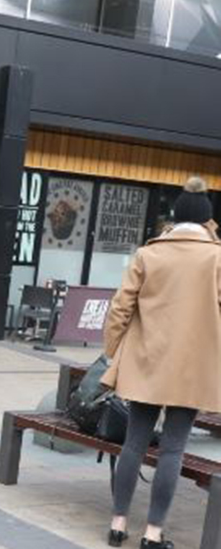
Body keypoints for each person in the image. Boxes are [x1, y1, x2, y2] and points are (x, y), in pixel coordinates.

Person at [103, 176, 221, 549]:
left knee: (134, 445)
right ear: (206, 221)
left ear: (173, 218)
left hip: (145, 361)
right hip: (192, 368)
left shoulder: (148, 253)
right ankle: (153, 534)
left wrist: (114, 351)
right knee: (173, 449)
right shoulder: (216, 257)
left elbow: (120, 307)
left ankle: (118, 524)